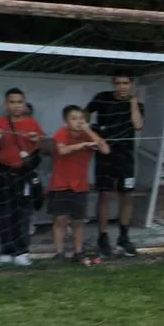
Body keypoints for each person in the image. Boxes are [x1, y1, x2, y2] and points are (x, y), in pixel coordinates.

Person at [86, 71, 145, 257]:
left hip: (125, 155)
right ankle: (103, 237)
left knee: (127, 195)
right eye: (118, 83)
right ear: (113, 84)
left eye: (125, 83)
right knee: (105, 194)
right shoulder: (102, 98)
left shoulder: (137, 104)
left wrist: (133, 101)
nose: (122, 87)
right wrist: (93, 133)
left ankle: (124, 236)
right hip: (105, 154)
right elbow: (84, 115)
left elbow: (138, 125)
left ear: (131, 84)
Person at [0, 88, 46, 267]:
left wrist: (37, 140)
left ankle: (22, 251)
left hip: (24, 174)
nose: (16, 106)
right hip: (4, 173)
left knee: (23, 214)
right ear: (6, 104)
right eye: (12, 102)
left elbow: (44, 150)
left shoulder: (32, 124)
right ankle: (6, 250)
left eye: (19, 102)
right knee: (4, 214)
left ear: (24, 104)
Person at [49, 105, 111, 263]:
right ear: (66, 121)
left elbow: (105, 150)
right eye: (74, 118)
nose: (78, 122)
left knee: (78, 221)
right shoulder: (61, 133)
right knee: (60, 219)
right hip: (60, 183)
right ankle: (60, 252)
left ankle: (78, 252)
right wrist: (83, 145)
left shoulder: (89, 136)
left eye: (81, 119)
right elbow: (62, 150)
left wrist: (88, 131)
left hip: (80, 185)